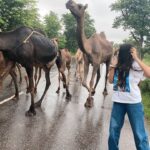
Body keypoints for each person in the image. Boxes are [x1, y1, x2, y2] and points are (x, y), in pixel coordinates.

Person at [108, 44, 150, 150]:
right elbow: (110, 80)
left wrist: (136, 57)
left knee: (139, 134)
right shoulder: (117, 63)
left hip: (134, 103)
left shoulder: (135, 64)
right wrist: (112, 66)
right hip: (118, 102)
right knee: (113, 132)